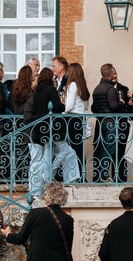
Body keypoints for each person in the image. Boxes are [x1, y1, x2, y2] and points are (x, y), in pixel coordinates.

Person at [25, 67, 79, 199]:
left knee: (42, 158)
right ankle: (58, 175)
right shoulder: (51, 89)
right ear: (50, 78)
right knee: (67, 152)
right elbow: (57, 106)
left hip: (40, 128)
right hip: (52, 128)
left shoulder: (36, 91)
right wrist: (62, 104)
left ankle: (37, 190)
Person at [91, 63, 124, 182]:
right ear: (112, 74)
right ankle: (104, 175)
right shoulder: (111, 89)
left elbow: (93, 108)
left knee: (101, 149)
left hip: (100, 122)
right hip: (111, 123)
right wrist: (121, 102)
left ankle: (100, 174)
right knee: (108, 150)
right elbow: (114, 106)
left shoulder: (97, 88)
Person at [64, 62, 91, 177]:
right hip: (81, 118)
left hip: (72, 118)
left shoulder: (72, 85)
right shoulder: (82, 86)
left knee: (71, 149)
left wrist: (63, 111)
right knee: (80, 148)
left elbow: (69, 105)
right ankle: (82, 175)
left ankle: (74, 175)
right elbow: (86, 106)